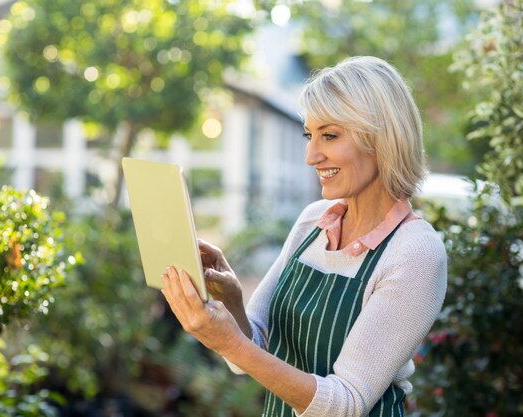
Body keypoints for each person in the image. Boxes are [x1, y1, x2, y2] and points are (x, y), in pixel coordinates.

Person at [160, 56, 447, 417]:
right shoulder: (312, 223)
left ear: (381, 138)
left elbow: (345, 404)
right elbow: (251, 354)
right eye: (309, 135)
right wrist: (231, 300)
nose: (311, 155)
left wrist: (228, 342)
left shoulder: (415, 252)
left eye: (329, 135)